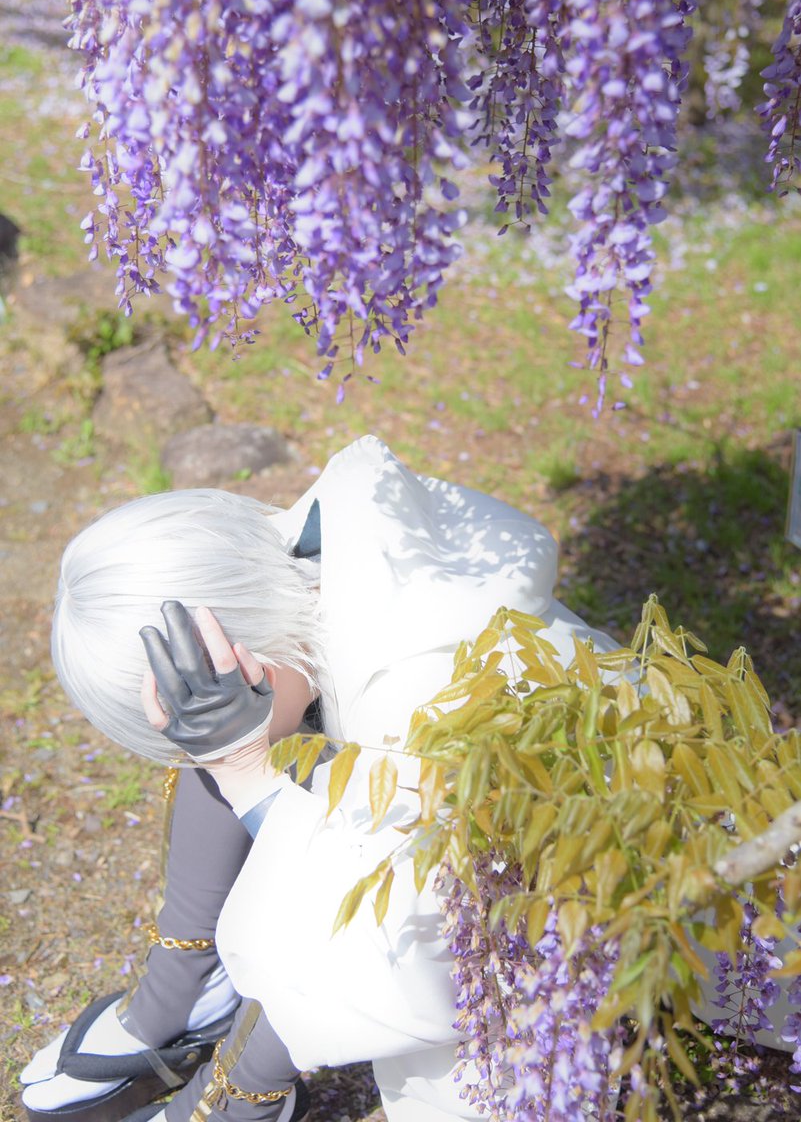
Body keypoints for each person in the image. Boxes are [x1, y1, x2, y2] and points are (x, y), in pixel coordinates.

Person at [19, 435, 620, 1122]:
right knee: (225, 728)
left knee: (270, 792)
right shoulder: (316, 549)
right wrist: (230, 753)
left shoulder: (416, 697)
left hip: (562, 902)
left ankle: (245, 1094)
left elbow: (395, 919)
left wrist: (243, 767)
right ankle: (185, 986)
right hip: (457, 820)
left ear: (252, 657)